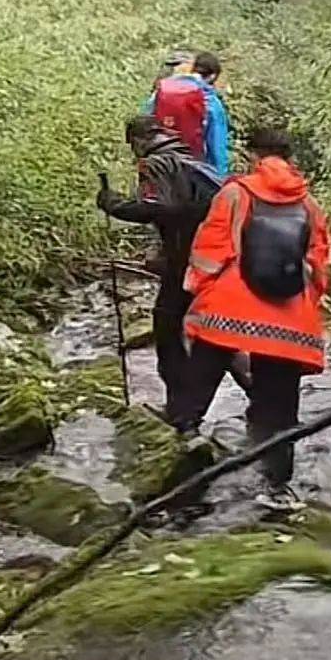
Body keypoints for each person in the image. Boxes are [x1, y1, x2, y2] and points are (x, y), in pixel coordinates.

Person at [181, 126, 330, 509]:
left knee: (206, 358)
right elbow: (318, 264)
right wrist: (306, 302)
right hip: (289, 320)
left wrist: (197, 290)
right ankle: (278, 484)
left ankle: (187, 430)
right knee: (280, 404)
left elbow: (211, 248)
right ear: (289, 156)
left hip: (232, 306)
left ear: (254, 156)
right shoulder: (309, 205)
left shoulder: (234, 193)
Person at [97, 116, 222, 429]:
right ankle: (254, 402)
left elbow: (159, 208)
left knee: (167, 326)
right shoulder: (191, 158)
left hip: (187, 260)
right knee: (216, 333)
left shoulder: (155, 163)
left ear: (137, 141)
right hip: (215, 258)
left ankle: (181, 410)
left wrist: (114, 205)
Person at [145, 49, 230, 175]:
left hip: (159, 164)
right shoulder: (210, 102)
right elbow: (217, 149)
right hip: (192, 170)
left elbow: (144, 120)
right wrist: (221, 179)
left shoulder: (163, 90)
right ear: (213, 76)